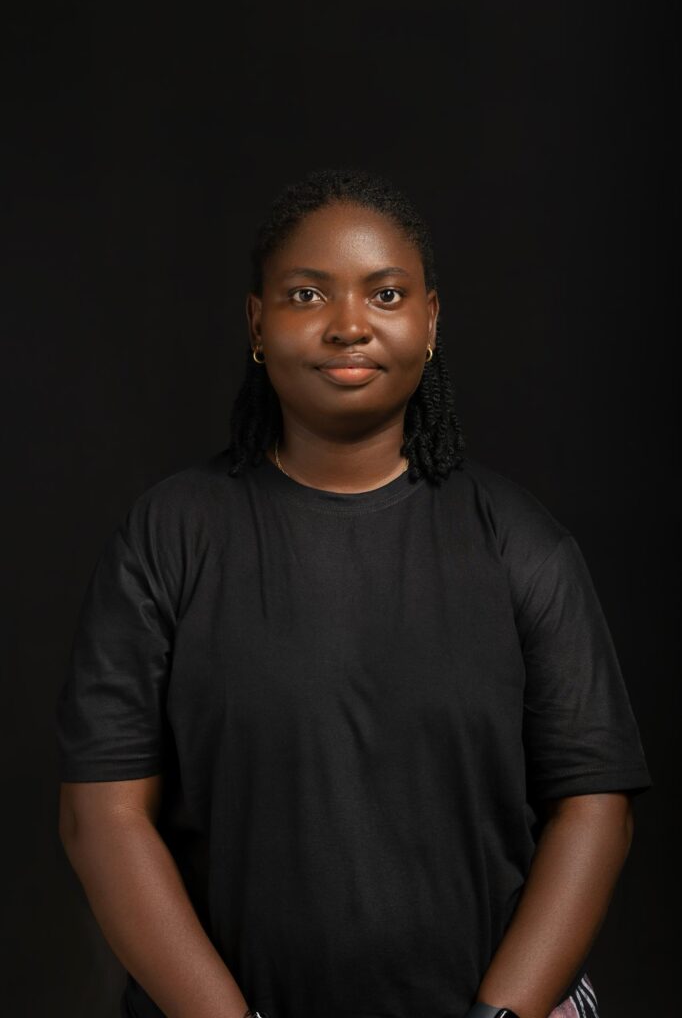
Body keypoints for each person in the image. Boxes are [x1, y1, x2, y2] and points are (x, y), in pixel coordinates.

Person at [56, 167, 652, 1018]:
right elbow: (103, 818)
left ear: (430, 320)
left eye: (386, 294)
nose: (348, 325)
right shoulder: (168, 536)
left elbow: (595, 809)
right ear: (257, 322)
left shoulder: (520, 543)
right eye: (306, 295)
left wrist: (501, 1017)